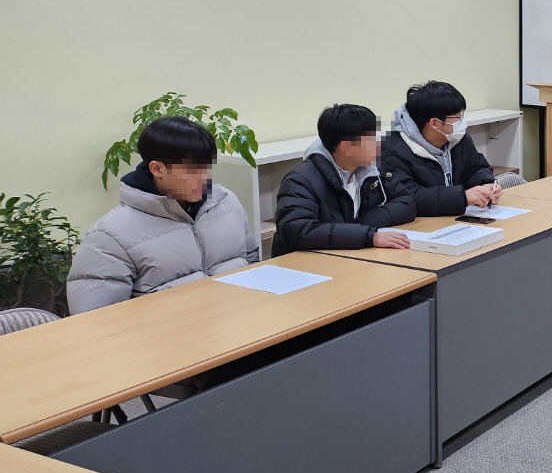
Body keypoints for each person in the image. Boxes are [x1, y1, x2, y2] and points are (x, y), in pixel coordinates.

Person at [67, 116, 258, 313]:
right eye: (193, 171)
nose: (204, 178)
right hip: (174, 331)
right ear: (157, 169)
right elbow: (95, 318)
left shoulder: (226, 202)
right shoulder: (109, 237)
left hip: (240, 319)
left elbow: (251, 261)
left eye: (206, 168)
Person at [271, 104, 415, 255]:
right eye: (371, 139)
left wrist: (360, 227)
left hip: (350, 254)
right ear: (346, 146)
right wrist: (368, 235)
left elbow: (406, 201)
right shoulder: (300, 180)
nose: (377, 144)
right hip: (305, 262)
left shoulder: (370, 170)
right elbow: (298, 230)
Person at [380, 81, 500, 216]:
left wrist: (485, 185)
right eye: (457, 117)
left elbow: (476, 167)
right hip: (420, 224)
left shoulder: (458, 139)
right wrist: (463, 197)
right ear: (435, 123)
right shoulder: (392, 150)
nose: (461, 122)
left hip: (457, 217)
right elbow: (408, 196)